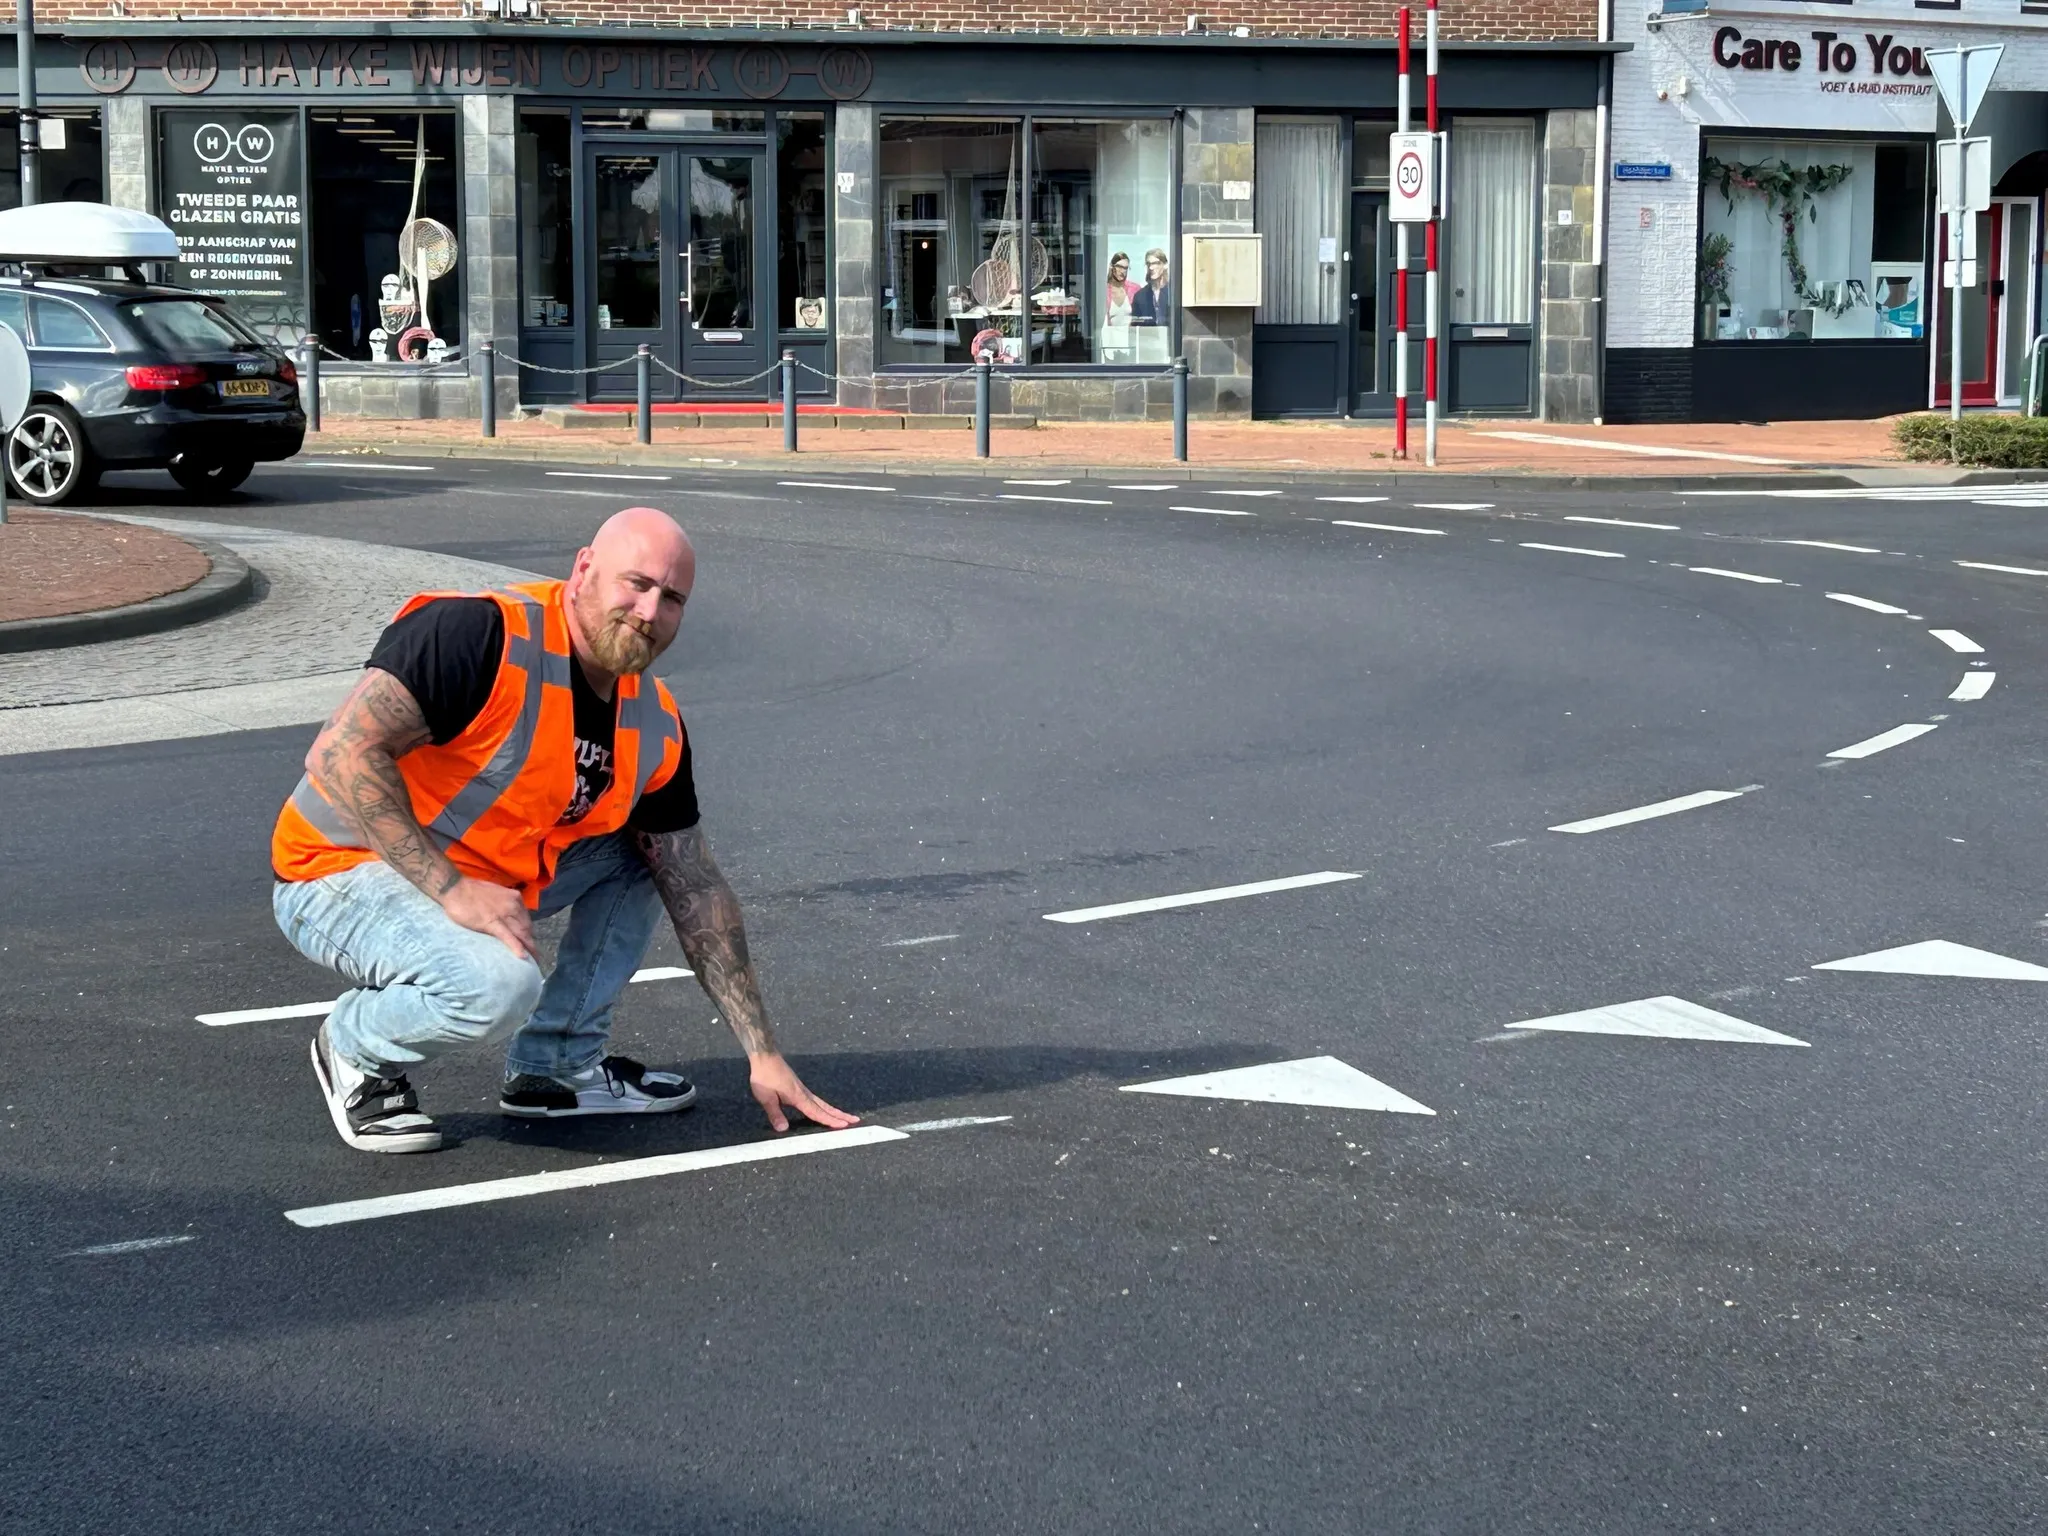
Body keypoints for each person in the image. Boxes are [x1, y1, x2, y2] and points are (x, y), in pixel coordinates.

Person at [270, 507, 857, 1154]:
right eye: (634, 583)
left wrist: (763, 1053)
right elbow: (342, 753)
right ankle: (354, 1046)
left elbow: (696, 886)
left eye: (672, 599)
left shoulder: (654, 721)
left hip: (489, 877)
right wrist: (452, 890)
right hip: (338, 871)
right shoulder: (479, 634)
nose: (648, 610)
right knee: (497, 984)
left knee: (653, 858)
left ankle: (555, 1069)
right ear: (583, 570)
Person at [1131, 248, 1172, 326]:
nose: (1151, 268)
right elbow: (1135, 327)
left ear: (1165, 265)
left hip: (1170, 337)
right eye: (1148, 264)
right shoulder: (1140, 296)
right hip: (1148, 337)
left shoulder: (1173, 293)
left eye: (1155, 263)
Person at [1104, 251, 1136, 325]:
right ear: (1112, 267)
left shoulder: (1134, 289)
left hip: (1130, 335)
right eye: (1119, 266)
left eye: (1125, 268)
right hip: (1110, 335)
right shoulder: (1104, 290)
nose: (1122, 271)